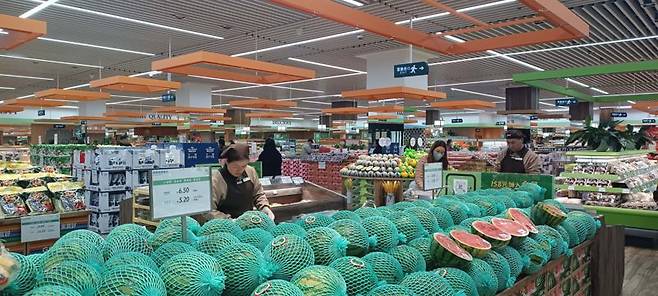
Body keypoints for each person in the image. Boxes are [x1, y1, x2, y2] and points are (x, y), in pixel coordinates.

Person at [206, 144, 275, 221]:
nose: (239, 170)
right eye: (235, 167)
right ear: (227, 162)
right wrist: (228, 220)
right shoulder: (216, 179)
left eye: (243, 166)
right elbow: (209, 210)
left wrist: (265, 208)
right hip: (225, 226)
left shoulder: (250, 171)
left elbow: (258, 194)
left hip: (248, 222)